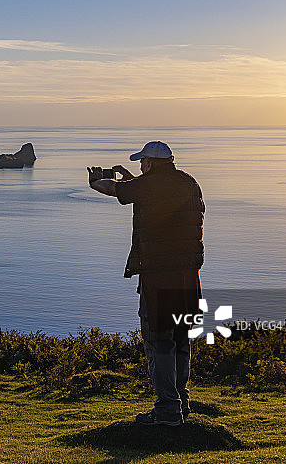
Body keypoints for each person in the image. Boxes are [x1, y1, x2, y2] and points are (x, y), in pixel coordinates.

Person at [87, 141, 204, 427]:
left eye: (142, 163)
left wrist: (97, 182)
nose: (140, 166)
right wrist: (132, 181)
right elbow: (153, 195)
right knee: (180, 339)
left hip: (159, 275)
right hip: (189, 276)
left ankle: (167, 411)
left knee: (159, 342)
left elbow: (110, 189)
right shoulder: (188, 182)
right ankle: (181, 403)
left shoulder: (149, 186)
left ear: (150, 163)